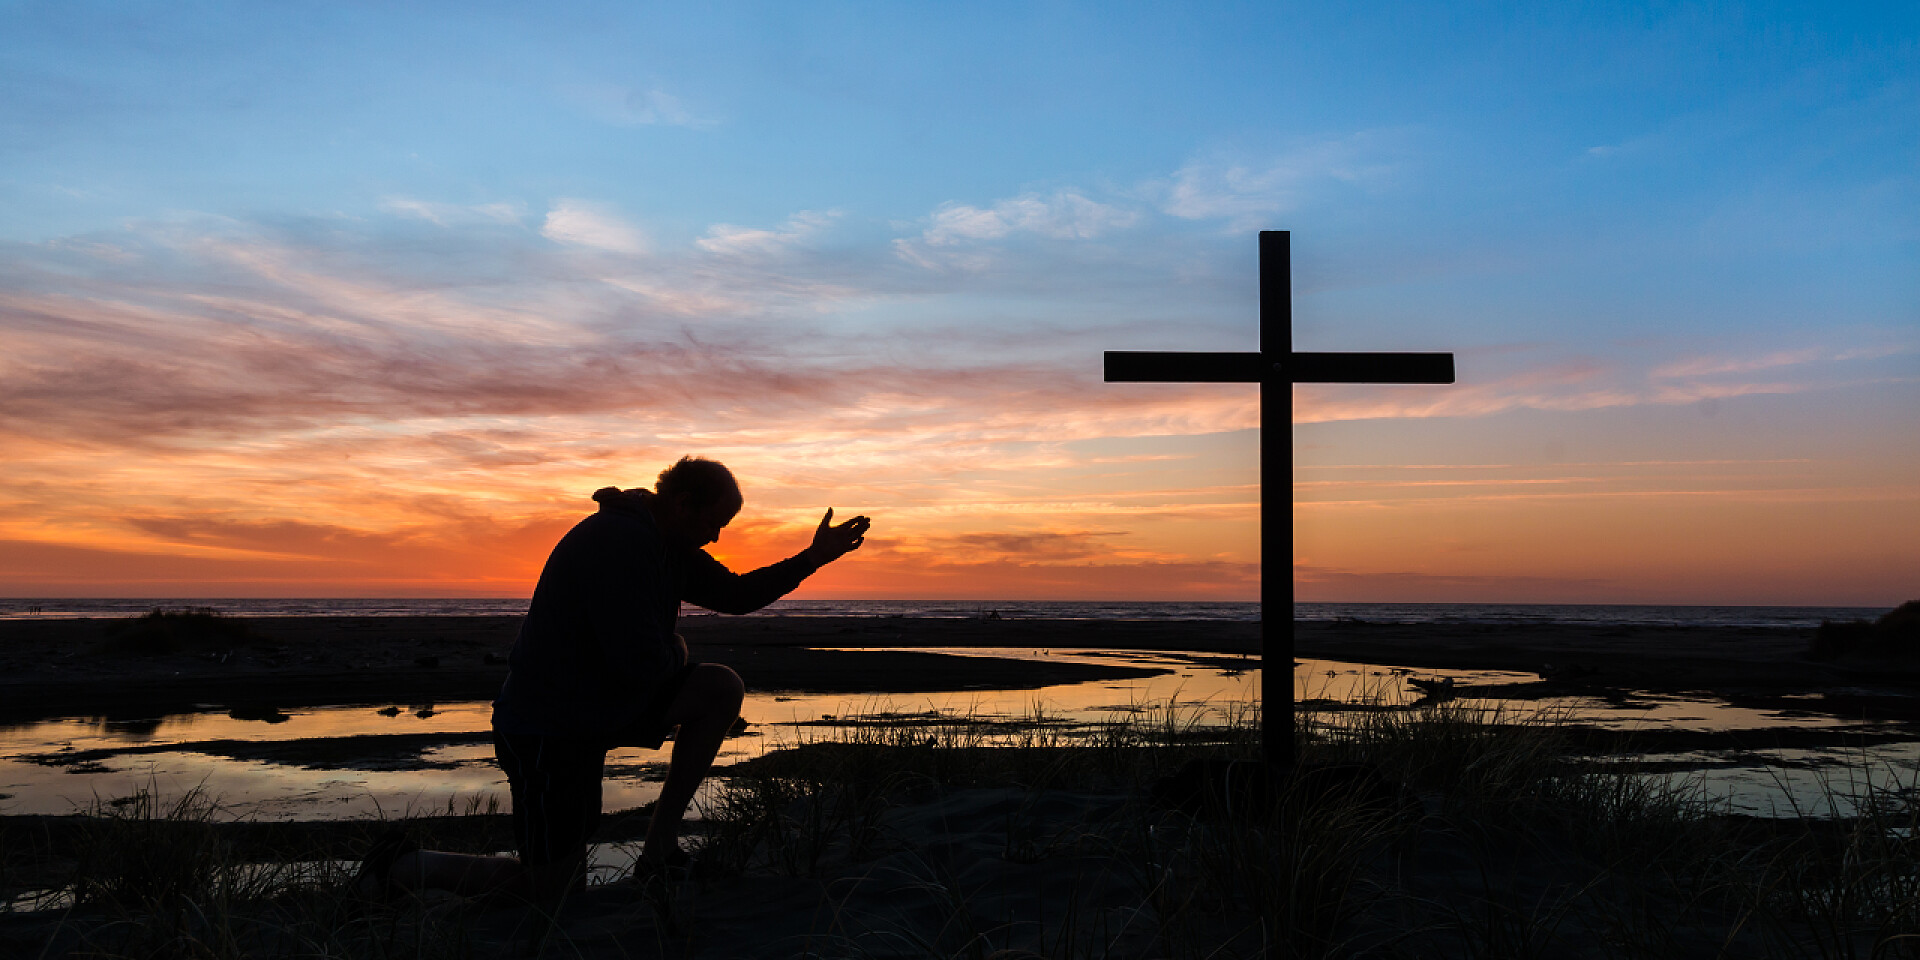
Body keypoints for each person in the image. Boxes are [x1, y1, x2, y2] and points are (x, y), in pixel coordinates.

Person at [355, 456, 870, 926]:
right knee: (551, 893)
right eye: (713, 524)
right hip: (546, 730)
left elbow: (734, 594)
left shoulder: (669, 544)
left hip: (597, 710)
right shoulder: (620, 543)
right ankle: (402, 866)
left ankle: (659, 852)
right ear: (683, 504)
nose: (714, 538)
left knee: (719, 690)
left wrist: (812, 558)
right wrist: (679, 650)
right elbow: (638, 663)